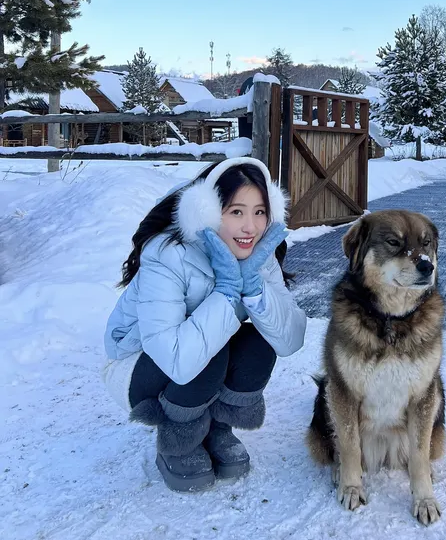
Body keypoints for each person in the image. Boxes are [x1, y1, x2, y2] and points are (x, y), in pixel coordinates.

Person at [102, 157, 307, 492]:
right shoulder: (168, 254)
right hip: (140, 366)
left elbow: (290, 341)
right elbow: (177, 361)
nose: (250, 227)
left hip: (197, 355)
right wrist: (227, 292)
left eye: (259, 212)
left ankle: (217, 428)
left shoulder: (259, 254)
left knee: (260, 339)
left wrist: (254, 288)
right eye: (236, 211)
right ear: (208, 212)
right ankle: (178, 440)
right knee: (211, 349)